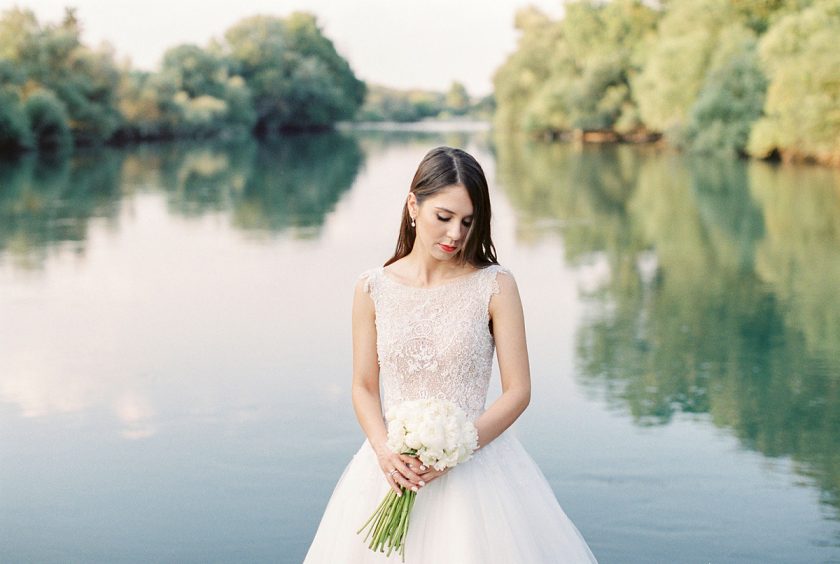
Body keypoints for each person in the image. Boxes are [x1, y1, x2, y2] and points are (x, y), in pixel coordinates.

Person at [303, 146, 598, 563]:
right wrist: (384, 451)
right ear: (413, 205)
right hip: (391, 469)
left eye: (468, 222)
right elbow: (364, 386)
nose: (456, 235)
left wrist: (458, 448)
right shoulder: (372, 289)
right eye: (444, 217)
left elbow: (518, 391)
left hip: (477, 472)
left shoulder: (496, 285)